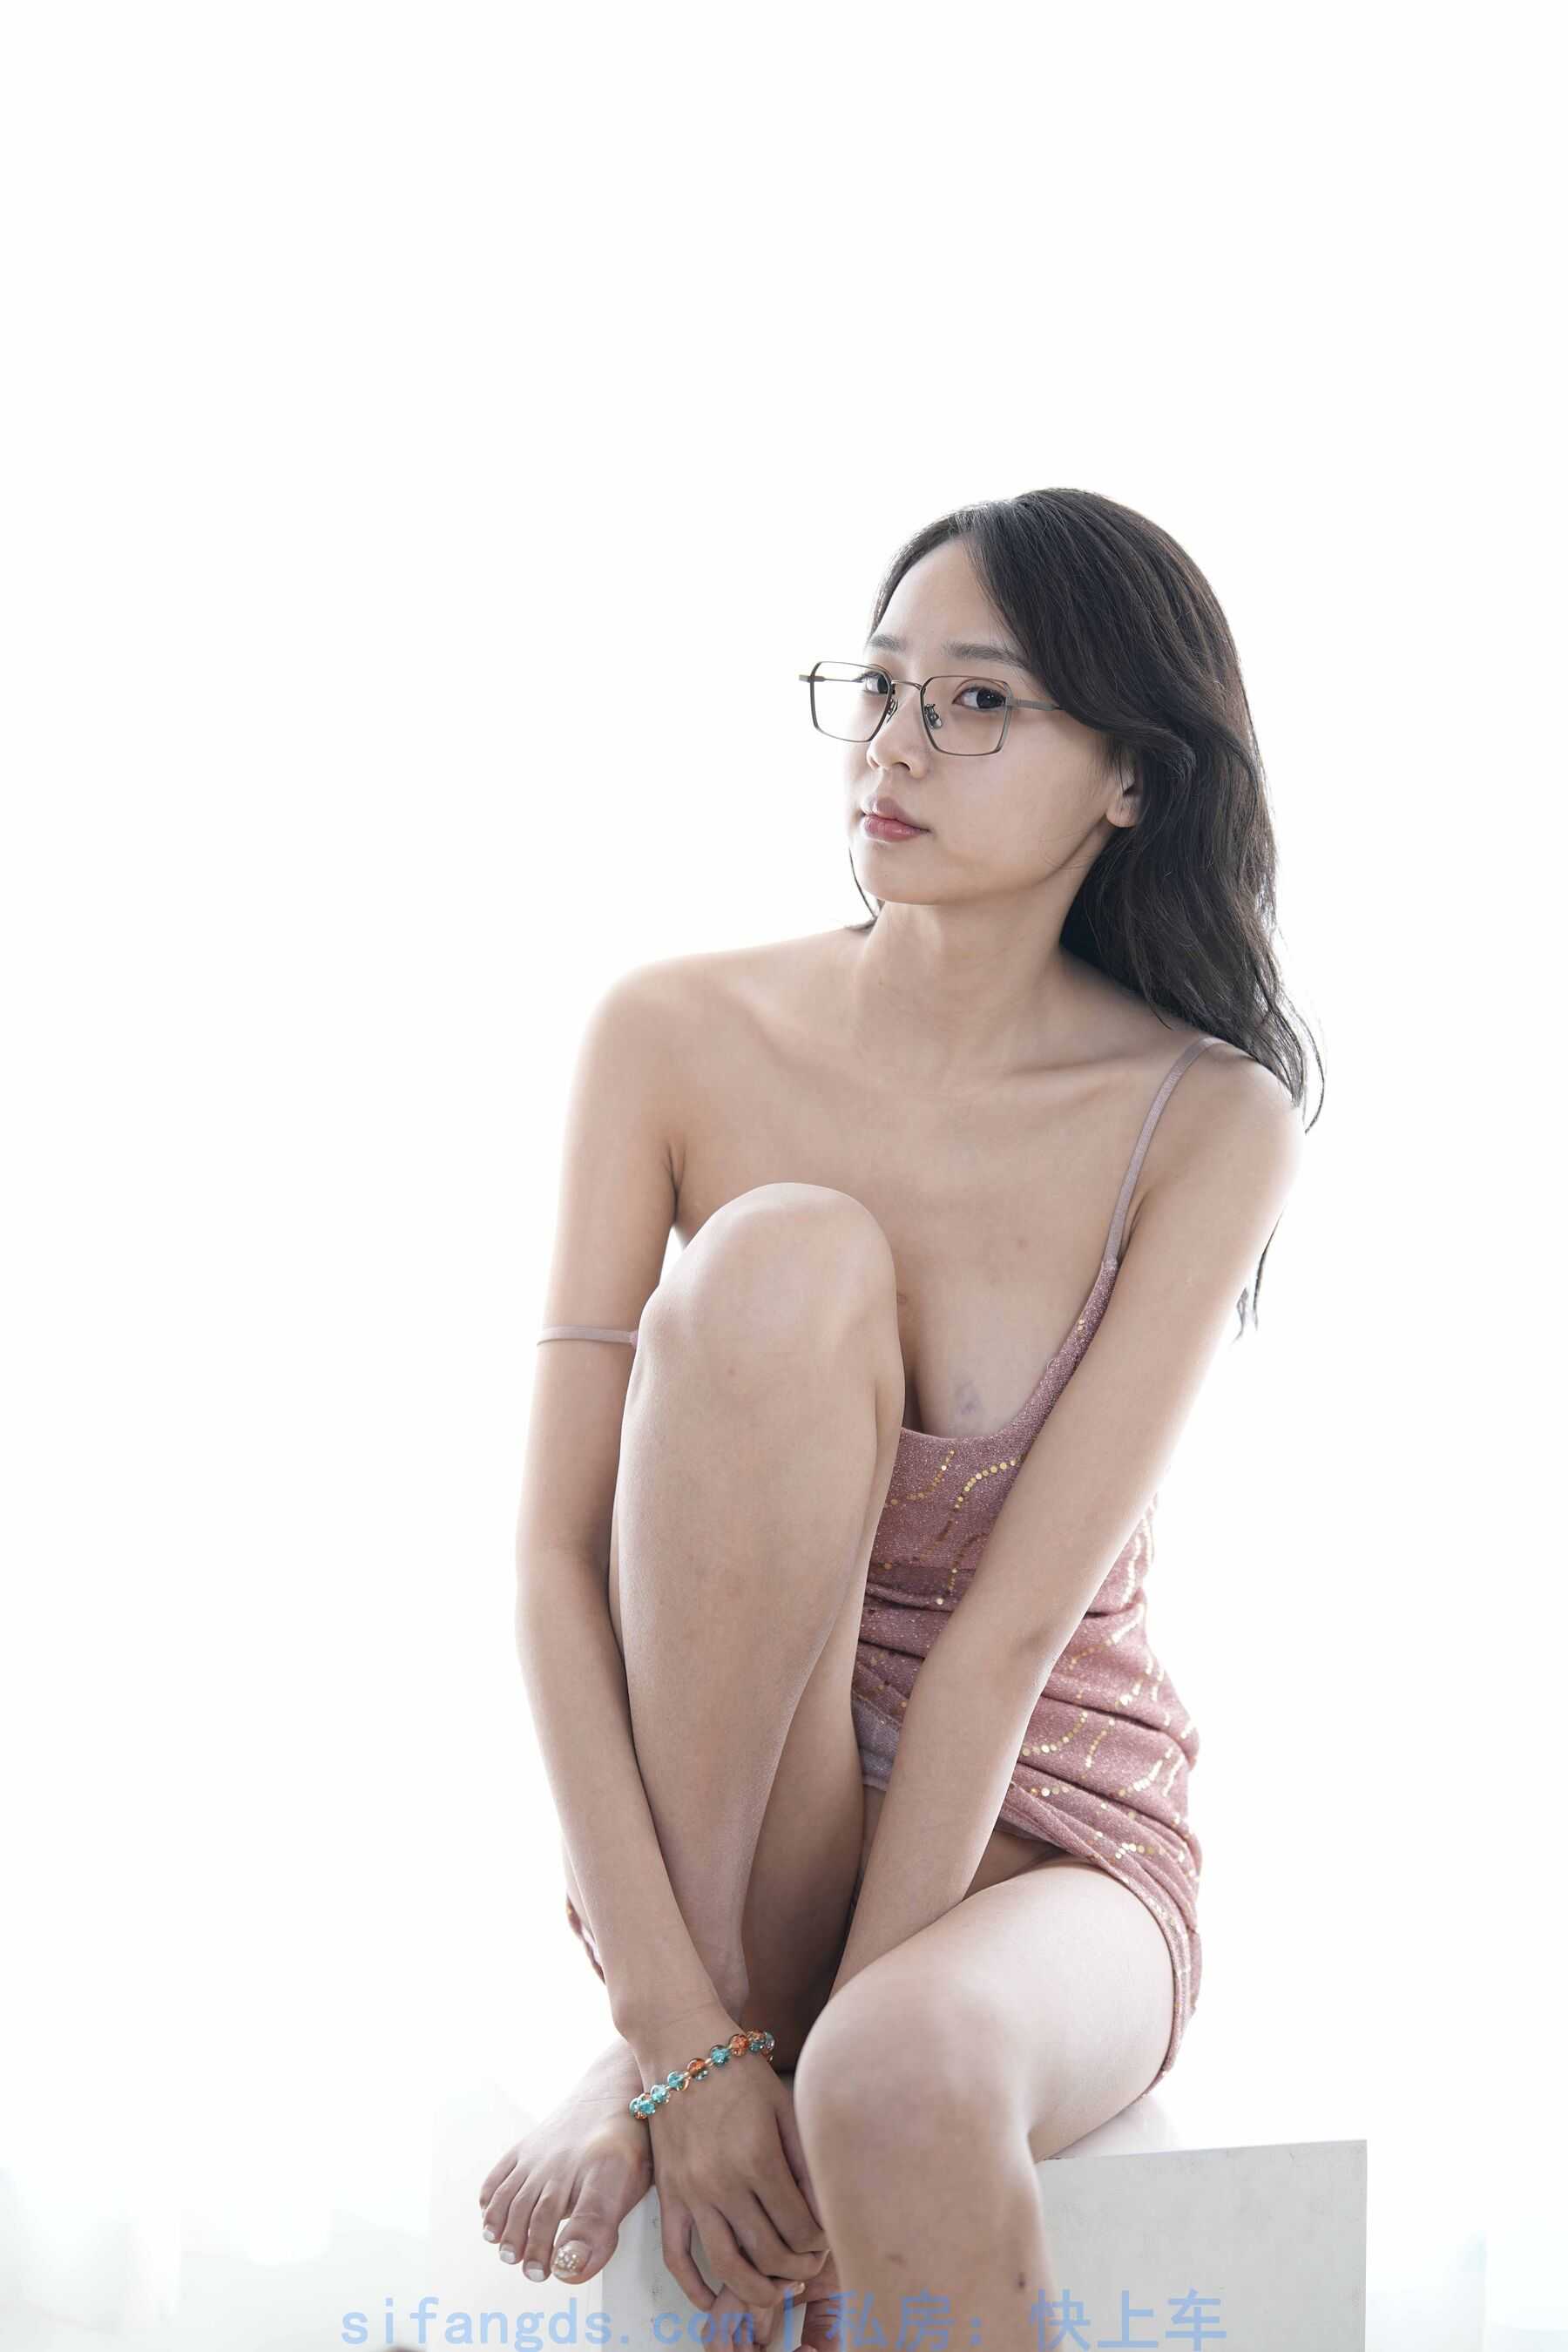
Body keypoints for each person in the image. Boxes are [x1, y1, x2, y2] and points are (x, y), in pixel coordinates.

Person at [477, 488, 1319, 2349]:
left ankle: (751, 2043)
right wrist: (680, 2045)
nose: (897, 744)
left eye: (978, 701)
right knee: (781, 1261)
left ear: (1134, 778)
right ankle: (682, 2034)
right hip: (738, 1781)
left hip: (1043, 1825)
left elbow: (1007, 1643)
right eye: (878, 687)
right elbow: (552, 1561)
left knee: (898, 2080)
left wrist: (804, 2064)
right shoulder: (671, 1035)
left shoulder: (1205, 1121)